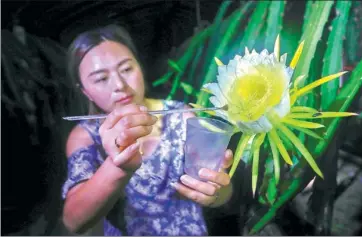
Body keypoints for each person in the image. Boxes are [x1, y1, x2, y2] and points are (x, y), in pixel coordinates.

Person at [62, 24, 235, 236]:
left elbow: (220, 189)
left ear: (139, 67)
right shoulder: (85, 135)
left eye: (126, 69)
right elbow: (73, 221)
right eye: (101, 79)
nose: (119, 85)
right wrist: (118, 166)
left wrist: (217, 191)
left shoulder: (181, 115)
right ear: (86, 92)